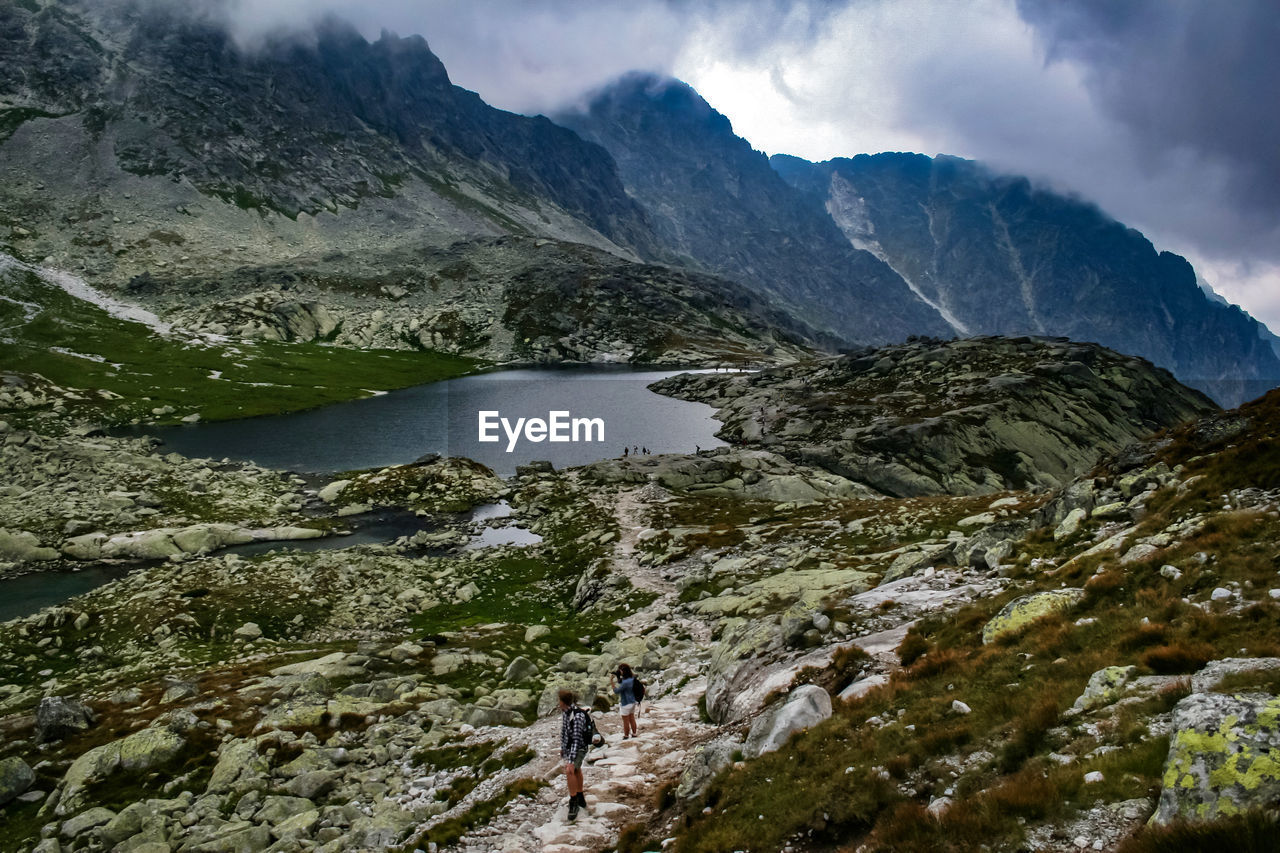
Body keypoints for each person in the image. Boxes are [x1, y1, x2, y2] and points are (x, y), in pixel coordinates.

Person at [558, 689, 589, 822]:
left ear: (563, 702)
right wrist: (563, 748)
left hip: (578, 748)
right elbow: (564, 732)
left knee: (570, 770)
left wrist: (570, 760)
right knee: (576, 769)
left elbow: (576, 738)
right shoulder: (566, 713)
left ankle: (573, 801)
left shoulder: (577, 716)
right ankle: (580, 795)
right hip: (570, 748)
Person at [611, 663, 639, 739]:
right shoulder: (631, 679)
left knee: (626, 721)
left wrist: (612, 682)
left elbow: (617, 691)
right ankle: (634, 733)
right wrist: (617, 676)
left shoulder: (625, 682)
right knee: (632, 718)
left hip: (625, 703)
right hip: (633, 701)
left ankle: (626, 735)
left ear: (623, 671)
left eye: (620, 670)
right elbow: (621, 682)